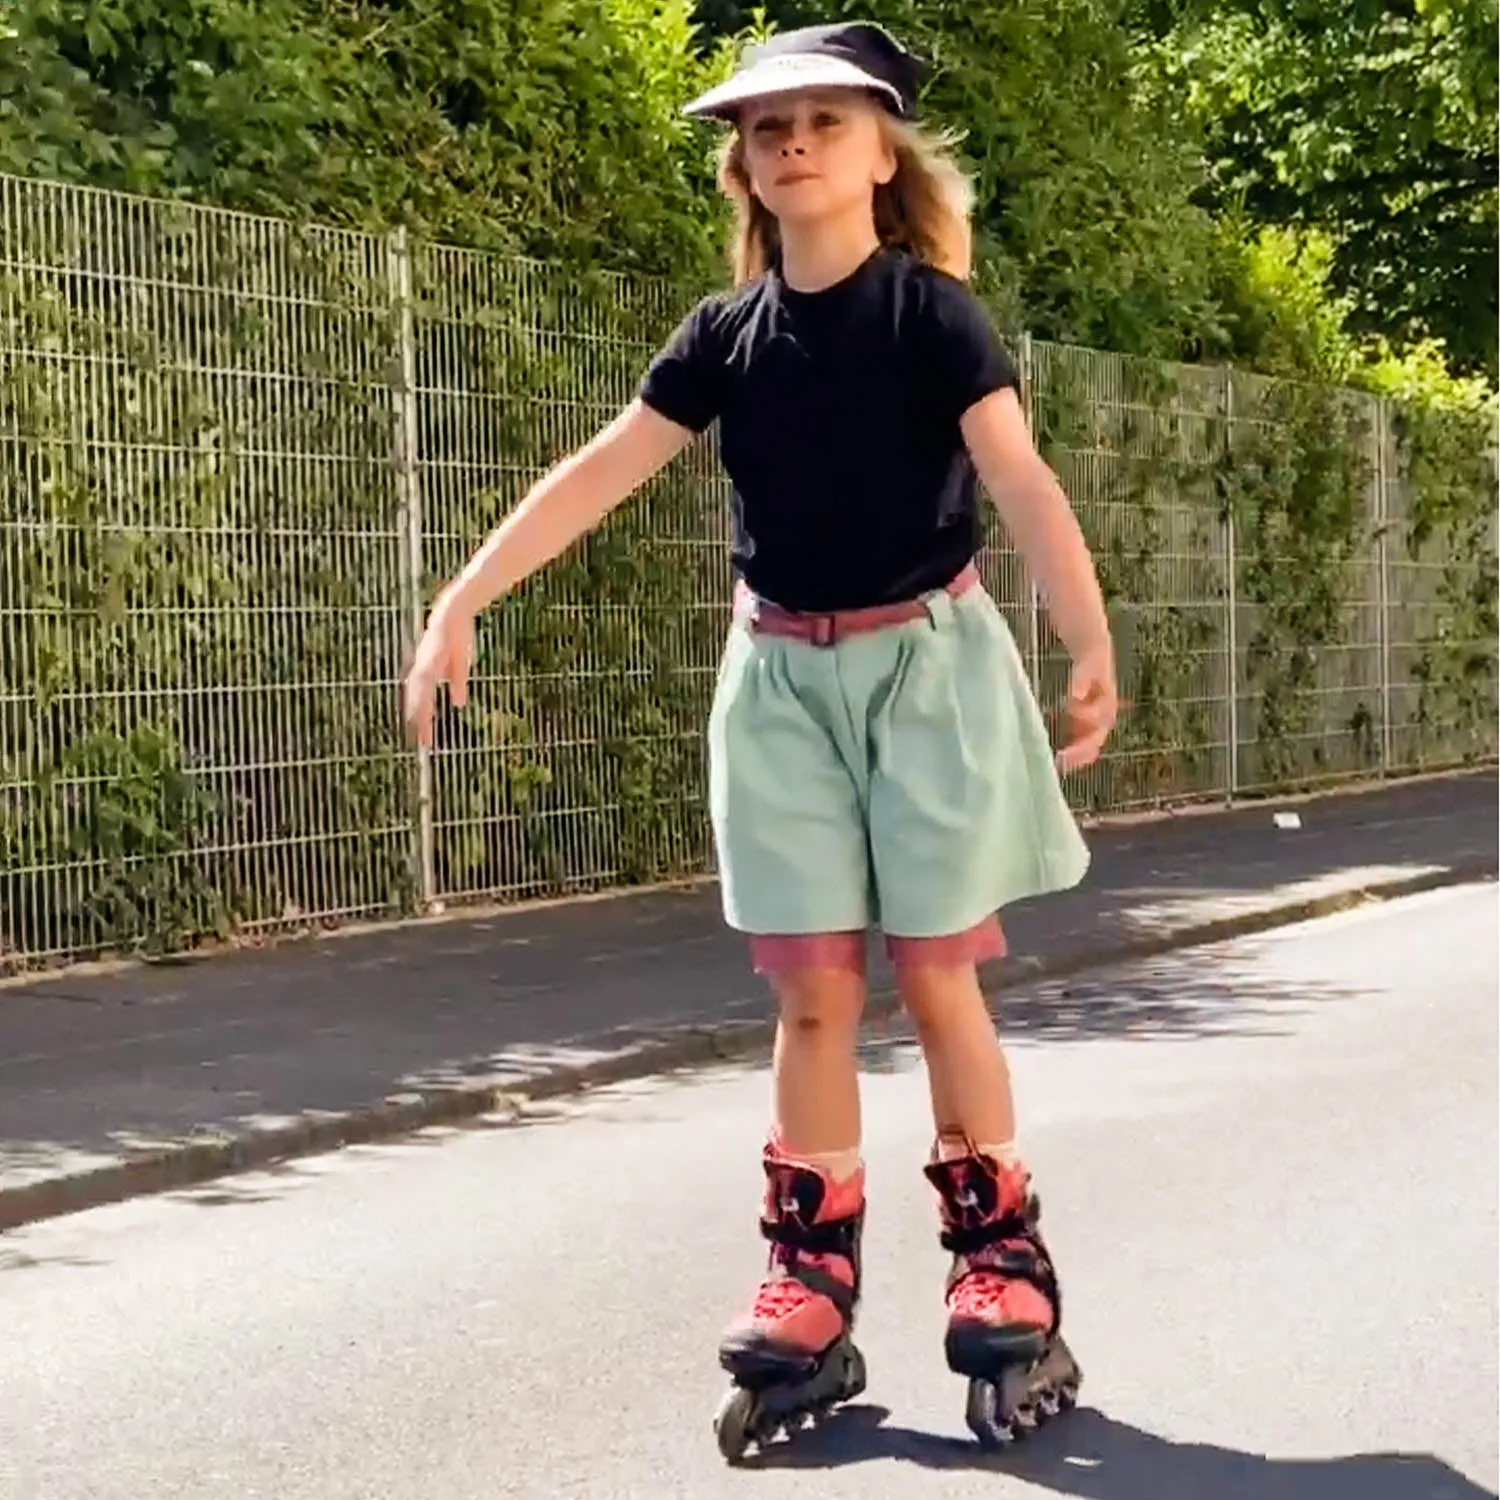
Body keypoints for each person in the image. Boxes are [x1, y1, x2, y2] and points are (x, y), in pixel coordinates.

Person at [403, 20, 1119, 1455]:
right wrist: (460, 599)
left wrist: (1088, 636)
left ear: (879, 154)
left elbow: (1019, 479)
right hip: (779, 678)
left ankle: (1001, 1259)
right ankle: (809, 1276)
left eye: (822, 124)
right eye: (767, 128)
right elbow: (605, 468)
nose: (791, 144)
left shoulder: (933, 318)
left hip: (927, 668)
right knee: (809, 996)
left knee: (933, 976)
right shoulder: (725, 337)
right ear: (744, 165)